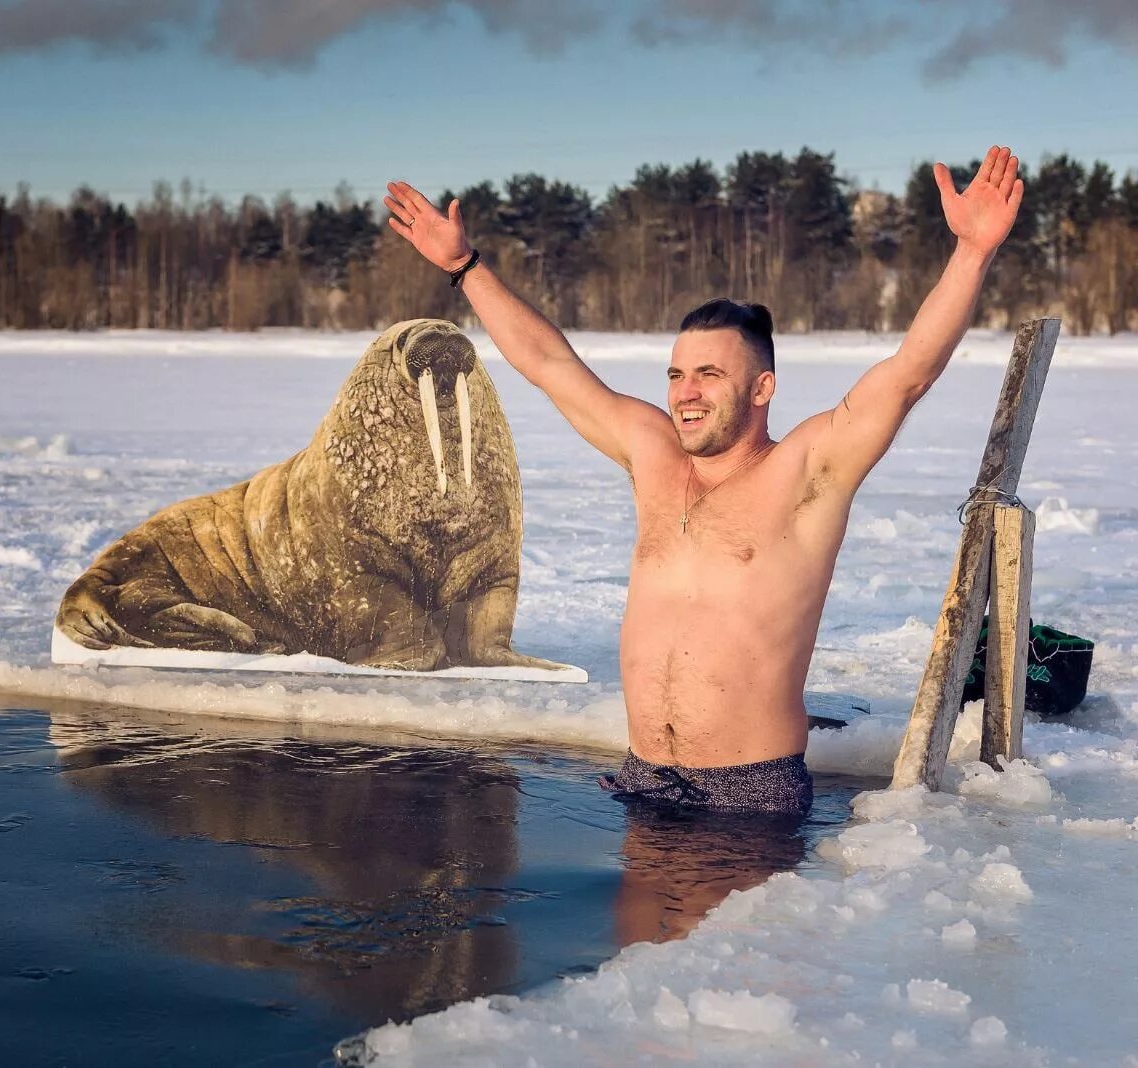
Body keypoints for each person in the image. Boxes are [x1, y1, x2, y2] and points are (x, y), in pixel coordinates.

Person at [384, 145, 1025, 815]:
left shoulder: (806, 470)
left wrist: (971, 253)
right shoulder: (651, 453)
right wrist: (465, 267)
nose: (685, 394)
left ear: (761, 388)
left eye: (710, 376)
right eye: (676, 375)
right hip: (641, 778)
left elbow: (906, 375)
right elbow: (548, 363)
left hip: (746, 795)